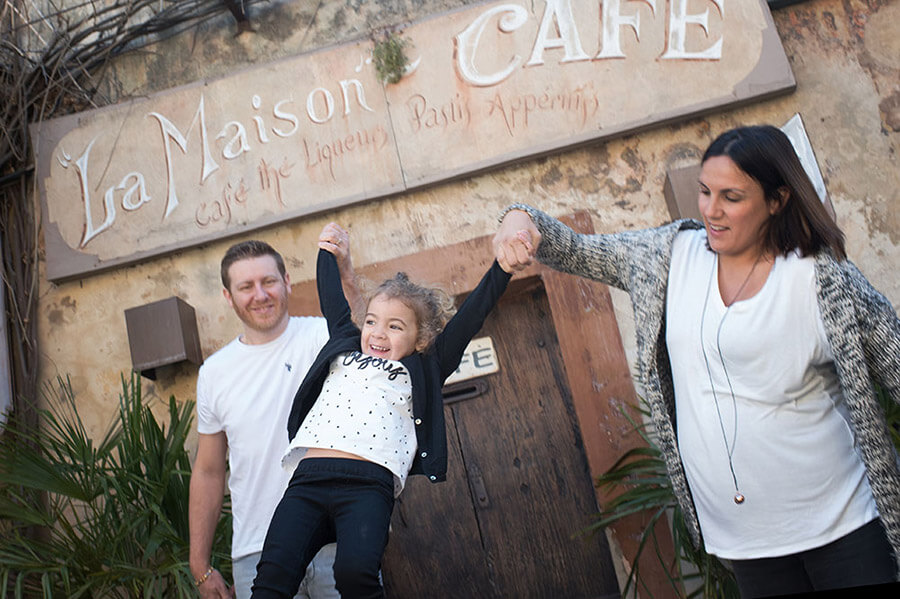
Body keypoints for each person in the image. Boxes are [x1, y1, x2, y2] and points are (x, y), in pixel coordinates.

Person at [493, 125, 900, 597]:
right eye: (705, 191)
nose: (711, 209)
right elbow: (575, 250)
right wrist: (517, 220)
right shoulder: (670, 257)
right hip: (745, 542)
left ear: (777, 200)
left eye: (732, 196)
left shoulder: (822, 282)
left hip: (844, 526)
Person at [249, 226, 516, 599]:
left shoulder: (425, 366)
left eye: (395, 327)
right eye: (372, 321)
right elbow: (332, 298)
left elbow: (470, 317)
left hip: (367, 488)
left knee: (355, 575)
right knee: (272, 577)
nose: (377, 333)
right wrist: (329, 250)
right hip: (307, 482)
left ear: (420, 339)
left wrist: (502, 269)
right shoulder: (345, 344)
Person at [189, 227, 360, 599]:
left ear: (287, 282)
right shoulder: (214, 373)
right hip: (257, 550)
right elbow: (208, 470)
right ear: (228, 296)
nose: (260, 295)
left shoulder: (322, 337)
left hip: (334, 539)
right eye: (246, 286)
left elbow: (366, 339)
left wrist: (345, 273)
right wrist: (200, 566)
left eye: (269, 281)